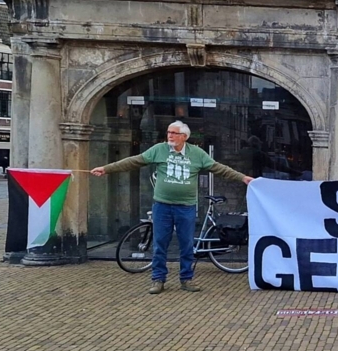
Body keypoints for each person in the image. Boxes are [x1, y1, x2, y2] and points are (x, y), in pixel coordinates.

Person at [91, 120, 253, 295]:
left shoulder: (197, 153)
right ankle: (158, 279)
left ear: (184, 136)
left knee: (186, 244)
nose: (169, 135)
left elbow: (219, 168)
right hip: (162, 206)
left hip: (186, 207)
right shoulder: (158, 150)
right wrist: (106, 169)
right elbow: (134, 161)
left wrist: (243, 178)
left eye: (174, 133)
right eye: (168, 132)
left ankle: (186, 279)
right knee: (160, 243)